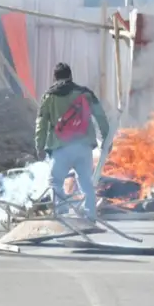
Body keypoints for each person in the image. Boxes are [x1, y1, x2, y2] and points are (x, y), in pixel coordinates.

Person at [35, 62, 110, 222]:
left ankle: (62, 213)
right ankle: (90, 215)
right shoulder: (85, 94)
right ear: (70, 76)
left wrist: (39, 146)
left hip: (60, 148)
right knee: (86, 182)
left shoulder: (49, 97)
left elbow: (41, 124)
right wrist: (106, 139)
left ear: (54, 77)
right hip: (83, 147)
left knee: (55, 182)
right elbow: (101, 116)